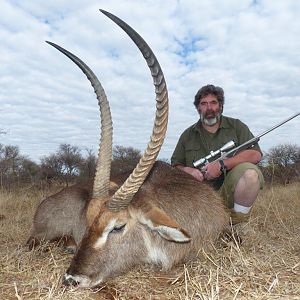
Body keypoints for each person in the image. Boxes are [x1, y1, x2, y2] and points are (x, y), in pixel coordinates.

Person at [171, 84, 264, 224]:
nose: (209, 108)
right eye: (204, 104)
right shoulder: (187, 135)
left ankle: (238, 223)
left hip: (228, 193)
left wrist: (222, 164)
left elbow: (255, 155)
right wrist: (187, 170)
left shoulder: (236, 126)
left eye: (213, 103)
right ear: (198, 108)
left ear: (220, 106)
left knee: (250, 175)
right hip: (199, 198)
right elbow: (175, 165)